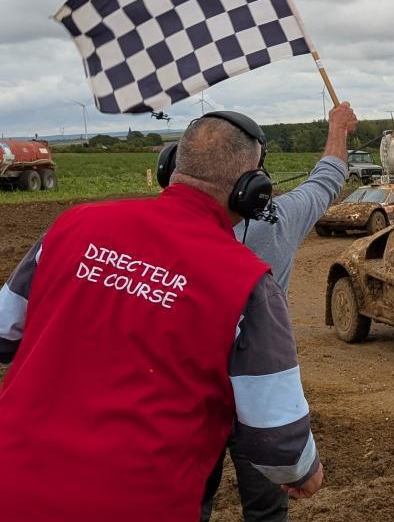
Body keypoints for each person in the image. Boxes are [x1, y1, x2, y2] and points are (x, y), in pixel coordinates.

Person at [0, 111, 323, 520]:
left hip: (12, 486)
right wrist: (305, 470)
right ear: (251, 191)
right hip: (137, 502)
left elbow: (3, 334)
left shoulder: (72, 225)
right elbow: (278, 442)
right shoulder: (248, 284)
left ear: (169, 167)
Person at [199, 101, 357, 522]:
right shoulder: (276, 223)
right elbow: (327, 178)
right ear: (252, 187)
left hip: (186, 396)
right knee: (267, 511)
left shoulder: (152, 232)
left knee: (186, 503)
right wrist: (337, 128)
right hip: (258, 396)